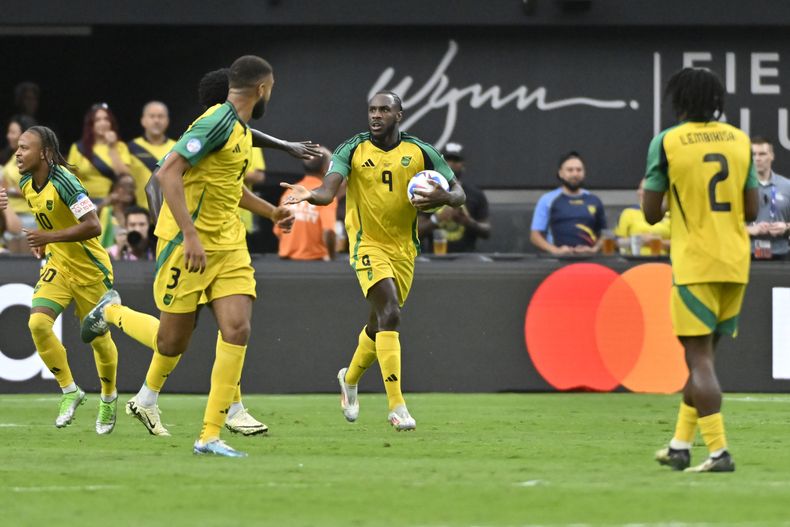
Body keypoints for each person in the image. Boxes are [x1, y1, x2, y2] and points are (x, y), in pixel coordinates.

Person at [81, 55, 294, 457]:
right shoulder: (214, 122)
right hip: (186, 245)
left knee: (237, 328)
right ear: (263, 89)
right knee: (171, 341)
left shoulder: (241, 129)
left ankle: (210, 434)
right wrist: (190, 235)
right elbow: (166, 174)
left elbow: (228, 186)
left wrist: (271, 211)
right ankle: (110, 312)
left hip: (228, 244)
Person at [282, 90, 466, 431]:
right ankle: (397, 407)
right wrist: (311, 195)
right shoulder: (351, 148)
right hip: (366, 244)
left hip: (404, 248)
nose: (376, 115)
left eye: (384, 109)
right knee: (391, 313)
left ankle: (349, 378)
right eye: (372, 109)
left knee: (379, 322)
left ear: (399, 114)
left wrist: (444, 196)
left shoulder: (421, 151)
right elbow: (327, 190)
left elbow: (459, 193)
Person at [644, 67, 758, 473]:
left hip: (695, 261)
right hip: (736, 261)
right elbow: (752, 210)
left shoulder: (668, 141)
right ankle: (679, 445)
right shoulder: (740, 140)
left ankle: (719, 452)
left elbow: (650, 213)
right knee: (704, 358)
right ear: (717, 100)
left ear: (678, 100)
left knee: (698, 360)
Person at [16, 125, 121, 433]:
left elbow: (93, 226)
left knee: (98, 342)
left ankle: (108, 396)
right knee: (37, 324)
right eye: (18, 147)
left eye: (25, 148)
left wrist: (48, 235)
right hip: (60, 266)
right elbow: (48, 218)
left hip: (90, 271)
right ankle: (69, 390)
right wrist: (46, 243)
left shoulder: (66, 182)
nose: (18, 153)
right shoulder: (25, 182)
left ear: (45, 153)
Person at [418, 142, 490, 252]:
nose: (451, 164)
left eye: (456, 160)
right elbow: (417, 232)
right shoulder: (428, 193)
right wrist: (437, 219)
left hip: (467, 259)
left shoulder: (476, 194)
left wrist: (467, 221)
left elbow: (487, 231)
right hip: (435, 260)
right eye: (447, 160)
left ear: (463, 165)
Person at [530, 151, 607, 255]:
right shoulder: (547, 200)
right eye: (570, 170)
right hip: (557, 261)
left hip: (588, 261)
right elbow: (535, 236)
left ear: (584, 173)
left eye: (579, 170)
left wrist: (593, 250)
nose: (575, 174)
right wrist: (556, 251)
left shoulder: (594, 200)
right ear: (561, 173)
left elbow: (605, 234)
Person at [275, 146, 337, 260]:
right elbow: (329, 232)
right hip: (315, 263)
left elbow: (278, 230)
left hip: (286, 263)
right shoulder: (325, 194)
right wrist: (332, 258)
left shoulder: (290, 191)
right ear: (326, 169)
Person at [67, 103, 132, 201]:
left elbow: (124, 176)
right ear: (91, 125)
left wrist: (112, 147)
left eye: (106, 119)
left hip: (112, 201)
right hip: (85, 201)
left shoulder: (120, 146)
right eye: (98, 120)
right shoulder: (78, 148)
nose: (103, 123)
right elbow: (71, 179)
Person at [746, 136, 790, 259]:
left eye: (762, 154)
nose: (758, 158)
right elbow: (726, 227)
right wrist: (749, 229)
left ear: (772, 156)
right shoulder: (740, 188)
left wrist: (786, 227)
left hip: (780, 255)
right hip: (747, 255)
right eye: (753, 154)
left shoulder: (787, 186)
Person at [128, 101, 176, 208]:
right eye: (152, 116)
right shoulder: (131, 148)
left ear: (167, 121)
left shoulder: (177, 148)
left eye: (160, 116)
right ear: (143, 121)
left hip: (170, 214)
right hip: (139, 217)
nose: (156, 120)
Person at [1, 114, 38, 253]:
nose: (8, 136)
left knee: (26, 267)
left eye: (13, 132)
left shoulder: (33, 158)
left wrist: (12, 191)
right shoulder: (12, 157)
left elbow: (40, 189)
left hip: (30, 219)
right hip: (10, 217)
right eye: (8, 132)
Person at [614, 178, 670, 255]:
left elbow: (681, 243)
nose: (640, 192)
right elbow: (617, 243)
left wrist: (659, 242)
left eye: (645, 190)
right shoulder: (628, 213)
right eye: (640, 189)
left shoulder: (670, 215)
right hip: (635, 261)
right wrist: (639, 240)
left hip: (664, 262)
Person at [97, 174, 137, 248]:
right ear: (115, 189)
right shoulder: (104, 211)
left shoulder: (137, 213)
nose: (129, 190)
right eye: (125, 186)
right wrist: (105, 203)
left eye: (132, 186)